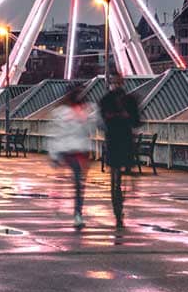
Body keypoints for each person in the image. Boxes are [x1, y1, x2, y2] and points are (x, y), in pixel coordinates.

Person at [47, 83, 96, 229]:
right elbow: (56, 133)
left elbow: (54, 134)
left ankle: (76, 211)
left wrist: (54, 155)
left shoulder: (83, 111)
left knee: (80, 184)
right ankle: (77, 213)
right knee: (78, 182)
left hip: (78, 151)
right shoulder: (72, 112)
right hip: (71, 151)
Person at [97, 73, 140, 228]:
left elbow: (101, 121)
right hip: (124, 140)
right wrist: (125, 117)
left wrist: (113, 118)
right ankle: (119, 204)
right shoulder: (130, 100)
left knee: (115, 176)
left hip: (114, 140)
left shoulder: (106, 101)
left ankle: (117, 204)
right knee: (120, 173)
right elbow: (136, 121)